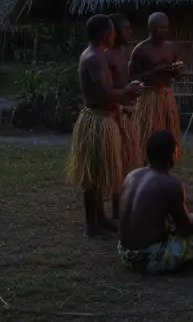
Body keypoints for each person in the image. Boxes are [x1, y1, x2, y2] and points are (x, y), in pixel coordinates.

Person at [66, 14, 143, 236]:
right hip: (97, 119)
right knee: (92, 175)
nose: (115, 35)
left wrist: (127, 90)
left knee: (99, 172)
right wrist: (128, 92)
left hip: (104, 118)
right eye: (113, 31)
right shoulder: (94, 58)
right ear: (105, 35)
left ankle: (101, 218)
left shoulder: (99, 55)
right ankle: (92, 224)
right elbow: (104, 95)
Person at [117, 130, 193, 274]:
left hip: (124, 252)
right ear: (173, 155)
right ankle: (178, 258)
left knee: (189, 220)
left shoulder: (132, 175)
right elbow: (186, 229)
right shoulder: (170, 184)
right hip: (148, 258)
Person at [129, 12, 184, 162]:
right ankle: (146, 168)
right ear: (151, 28)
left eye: (166, 28)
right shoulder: (140, 50)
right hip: (148, 98)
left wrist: (176, 71)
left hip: (167, 97)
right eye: (161, 28)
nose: (164, 31)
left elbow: (178, 76)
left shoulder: (172, 48)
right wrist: (154, 72)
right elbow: (132, 77)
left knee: (168, 136)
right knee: (147, 136)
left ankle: (165, 167)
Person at [108, 13, 143, 218]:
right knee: (116, 165)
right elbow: (104, 89)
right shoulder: (105, 55)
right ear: (114, 31)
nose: (130, 31)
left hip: (128, 112)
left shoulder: (123, 50)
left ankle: (123, 206)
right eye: (126, 28)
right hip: (114, 115)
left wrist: (134, 88)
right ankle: (115, 211)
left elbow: (123, 80)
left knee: (128, 164)